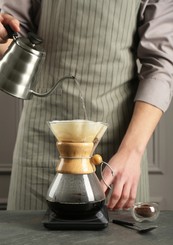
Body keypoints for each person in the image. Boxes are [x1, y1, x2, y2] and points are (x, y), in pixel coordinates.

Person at [0, 0, 173, 211]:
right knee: (25, 241)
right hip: (40, 142)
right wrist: (3, 38)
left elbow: (160, 66)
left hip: (117, 149)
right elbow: (15, 36)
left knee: (119, 244)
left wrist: (132, 153)